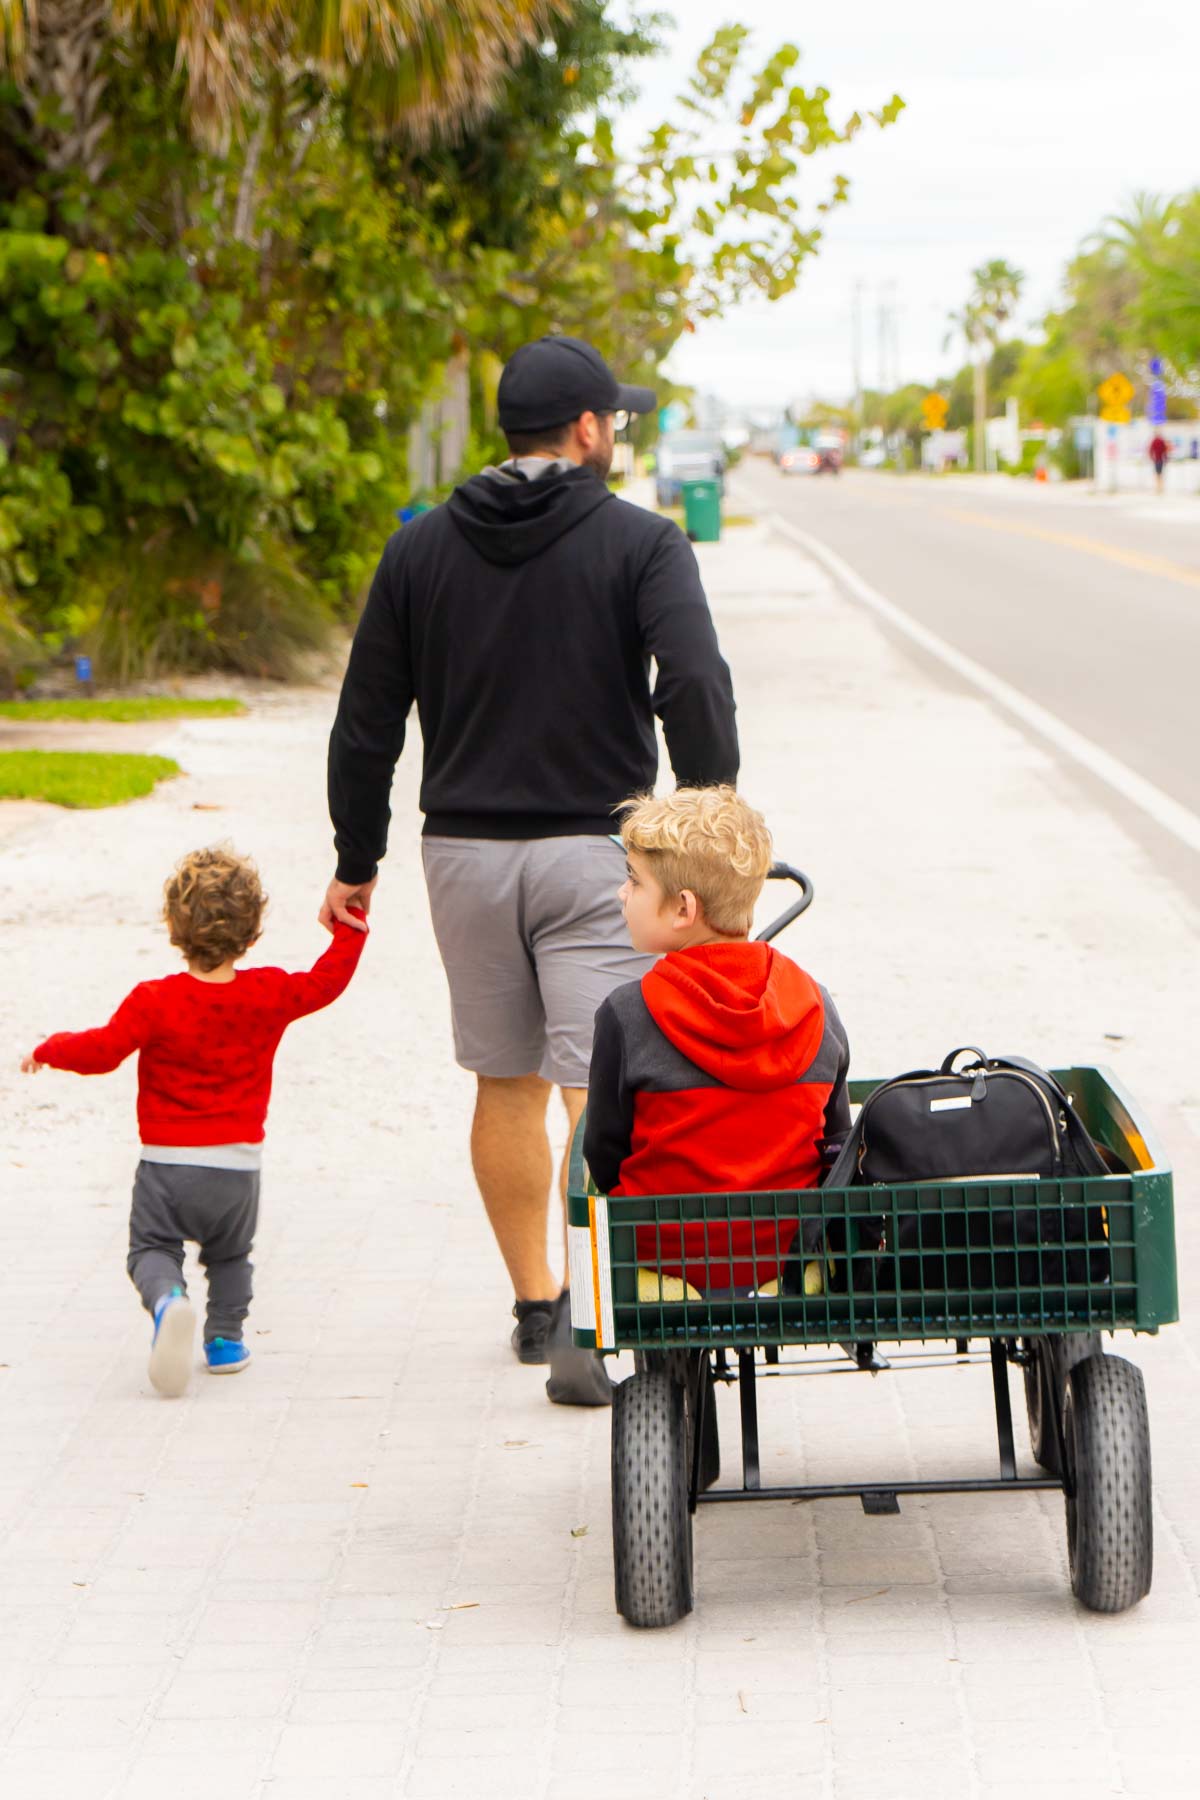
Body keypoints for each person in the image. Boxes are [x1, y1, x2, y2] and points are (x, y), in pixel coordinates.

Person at [323, 335, 739, 1405]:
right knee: (596, 1086)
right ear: (590, 430)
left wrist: (354, 856)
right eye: (618, 422)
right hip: (598, 855)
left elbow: (366, 721)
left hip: (460, 852)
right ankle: (595, 1314)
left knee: (502, 1081)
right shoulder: (642, 544)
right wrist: (705, 811)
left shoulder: (417, 552)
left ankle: (534, 1303)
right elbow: (693, 680)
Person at [21, 846, 367, 1397]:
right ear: (252, 932)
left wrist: (51, 1048)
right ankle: (226, 1341)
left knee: (152, 1251)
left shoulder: (154, 1000)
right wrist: (352, 928)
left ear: (174, 927)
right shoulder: (269, 993)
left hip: (167, 1167)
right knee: (230, 1255)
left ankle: (169, 1302)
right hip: (236, 1170)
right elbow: (326, 981)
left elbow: (103, 1051)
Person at [584, 788, 850, 1296]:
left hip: (667, 1264)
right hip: (790, 1263)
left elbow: (604, 1153)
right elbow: (835, 1142)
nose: (622, 893)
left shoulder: (628, 1013)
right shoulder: (815, 1003)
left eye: (634, 880)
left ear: (683, 908)